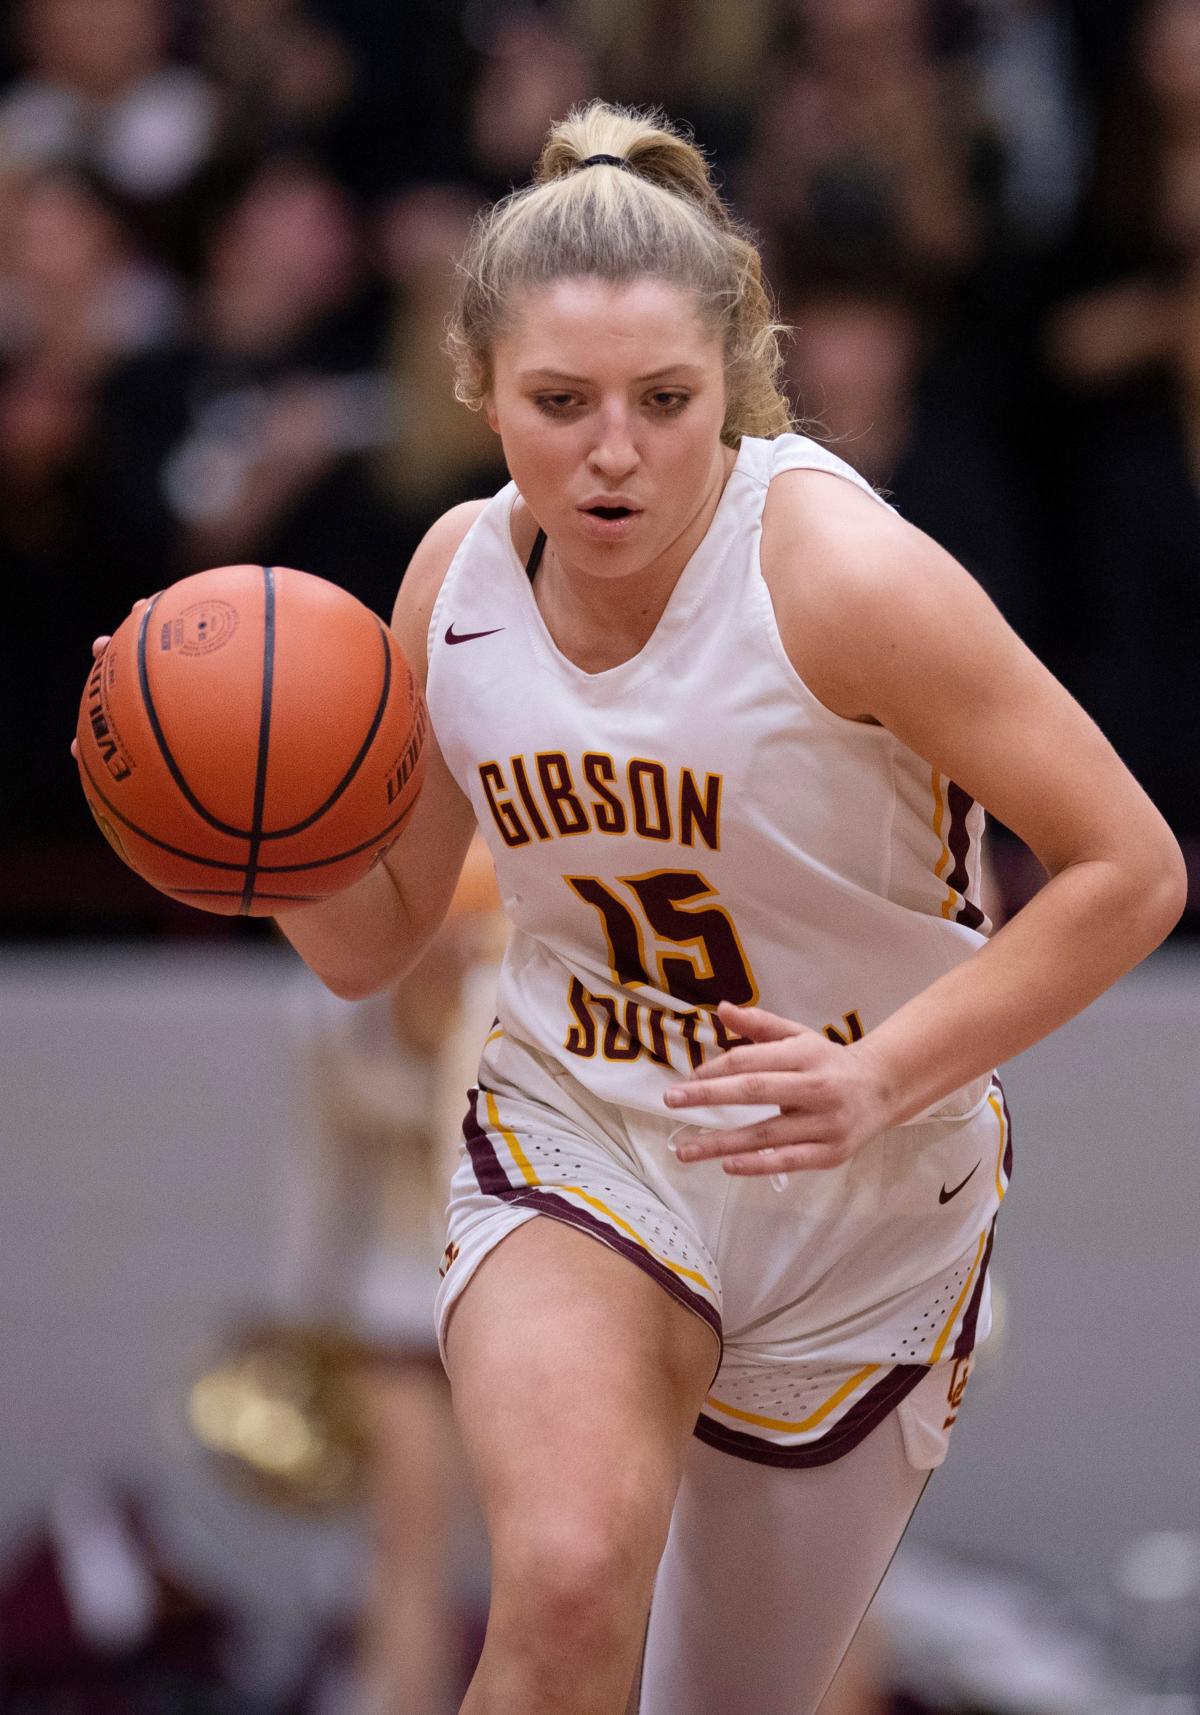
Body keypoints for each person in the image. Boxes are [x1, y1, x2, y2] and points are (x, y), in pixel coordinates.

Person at [85, 101, 1186, 1715]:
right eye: (559, 402)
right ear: (477, 389)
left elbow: (1131, 869)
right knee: (570, 1582)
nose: (613, 450)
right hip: (579, 1131)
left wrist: (881, 1074)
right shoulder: (453, 581)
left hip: (863, 1192)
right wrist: (240, 830)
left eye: (666, 402)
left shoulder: (842, 577)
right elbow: (373, 943)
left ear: (732, 383)